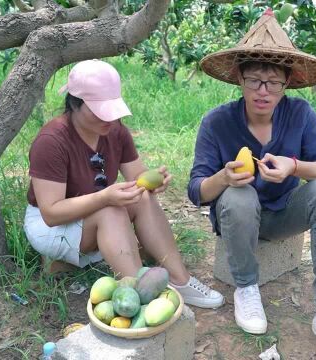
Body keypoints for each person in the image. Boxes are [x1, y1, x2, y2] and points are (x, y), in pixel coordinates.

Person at [188, 9, 316, 360]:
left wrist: (294, 166)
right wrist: (224, 178)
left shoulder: (300, 115)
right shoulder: (217, 122)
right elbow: (196, 191)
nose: (263, 91)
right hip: (238, 217)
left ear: (287, 84)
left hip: (284, 214)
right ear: (239, 79)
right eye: (255, 80)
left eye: (274, 83)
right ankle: (246, 288)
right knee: (239, 194)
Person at [23, 59, 224, 309]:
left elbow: (137, 176)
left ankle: (179, 278)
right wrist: (104, 198)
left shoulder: (114, 130)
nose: (110, 117)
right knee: (110, 210)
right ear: (75, 103)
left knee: (139, 196)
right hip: (50, 225)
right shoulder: (52, 140)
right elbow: (51, 213)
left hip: (92, 211)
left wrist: (153, 181)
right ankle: (140, 295)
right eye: (99, 109)